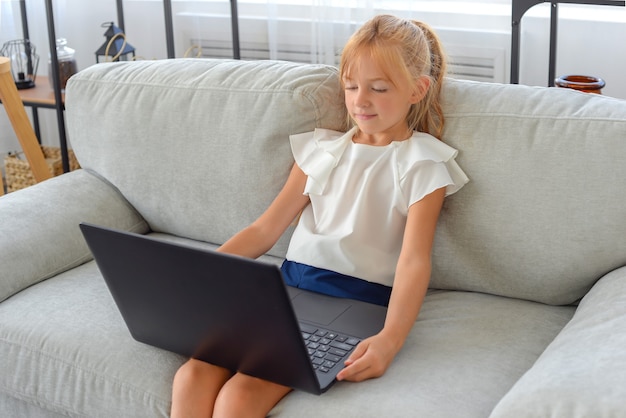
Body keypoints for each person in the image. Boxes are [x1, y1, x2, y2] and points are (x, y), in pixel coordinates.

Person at [170, 14, 468, 418]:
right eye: (351, 86)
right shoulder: (320, 151)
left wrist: (390, 339)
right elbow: (264, 229)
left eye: (379, 89)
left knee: (238, 398)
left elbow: (414, 261)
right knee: (191, 376)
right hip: (286, 291)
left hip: (358, 302)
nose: (360, 100)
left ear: (417, 90)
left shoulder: (422, 164)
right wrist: (202, 274)